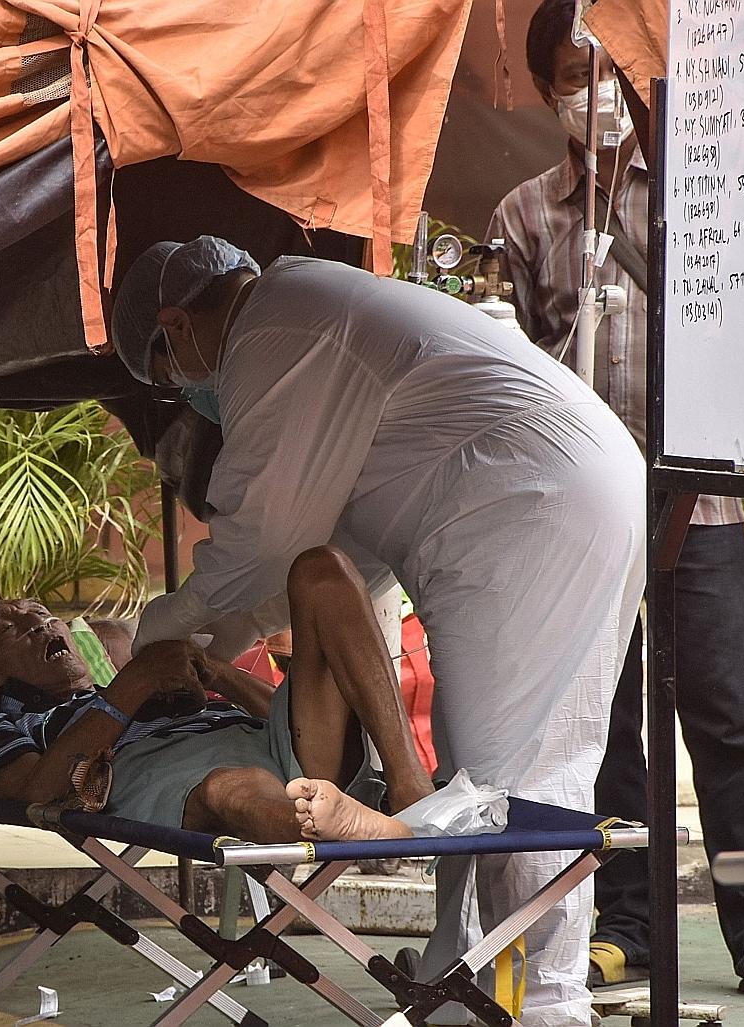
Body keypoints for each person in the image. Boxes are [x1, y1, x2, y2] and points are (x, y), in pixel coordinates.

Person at [110, 235, 645, 1025]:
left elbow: (261, 543)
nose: (186, 394)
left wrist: (161, 636)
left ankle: (544, 1007)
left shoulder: (275, 331)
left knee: (518, 781)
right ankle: (463, 975)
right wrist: (209, 653)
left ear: (176, 326)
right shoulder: (300, 316)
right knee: (488, 771)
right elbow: (321, 557)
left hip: (530, 507)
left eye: (168, 379)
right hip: (539, 496)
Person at [486, 0, 744, 1004]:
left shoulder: (696, 198)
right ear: (546, 94)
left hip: (697, 507)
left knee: (726, 716)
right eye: (570, 75)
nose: (593, 92)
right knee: (609, 724)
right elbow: (496, 365)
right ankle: (628, 923)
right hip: (580, 523)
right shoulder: (524, 215)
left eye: (605, 70)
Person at [0, 545, 433, 842]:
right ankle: (321, 821)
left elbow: (280, 722)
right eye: (8, 626)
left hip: (293, 755)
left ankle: (410, 789)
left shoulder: (135, 688)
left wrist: (216, 673)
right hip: (199, 781)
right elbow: (38, 795)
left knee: (321, 567)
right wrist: (131, 687)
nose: (38, 622)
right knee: (230, 785)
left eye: (37, 612)